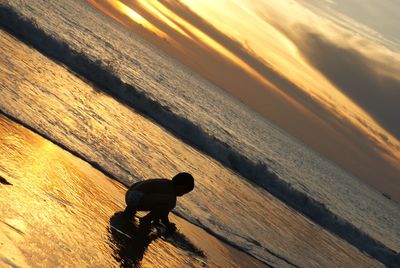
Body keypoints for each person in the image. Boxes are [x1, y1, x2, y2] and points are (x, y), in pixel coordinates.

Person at [124, 172, 194, 232]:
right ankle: (146, 220)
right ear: (180, 187)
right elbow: (164, 213)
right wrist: (168, 225)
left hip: (130, 194)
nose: (182, 194)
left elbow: (160, 208)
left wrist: (159, 220)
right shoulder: (171, 194)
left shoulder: (165, 183)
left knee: (164, 202)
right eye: (184, 192)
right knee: (171, 203)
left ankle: (130, 210)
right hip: (136, 199)